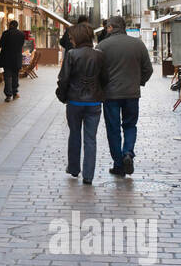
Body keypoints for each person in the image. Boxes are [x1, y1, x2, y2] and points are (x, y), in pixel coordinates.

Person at [97, 14, 154, 176]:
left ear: (110, 28)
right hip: (132, 94)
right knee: (130, 125)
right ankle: (128, 152)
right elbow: (148, 69)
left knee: (113, 129)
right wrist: (139, 82)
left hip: (110, 95)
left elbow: (96, 71)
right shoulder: (138, 44)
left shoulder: (102, 46)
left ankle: (118, 164)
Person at [56, 21, 108, 184]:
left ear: (77, 38)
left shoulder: (71, 54)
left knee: (74, 134)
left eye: (71, 38)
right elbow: (105, 78)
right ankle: (88, 175)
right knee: (90, 138)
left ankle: (73, 168)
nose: (70, 41)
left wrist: (62, 96)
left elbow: (63, 79)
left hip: (75, 101)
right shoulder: (99, 54)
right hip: (94, 102)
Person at [0, 19, 27, 101]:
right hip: (16, 59)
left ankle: (8, 95)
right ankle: (15, 93)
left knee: (7, 77)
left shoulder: (6, 33)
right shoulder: (21, 34)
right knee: (15, 76)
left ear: (11, 25)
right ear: (17, 26)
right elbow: (21, 45)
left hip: (6, 59)